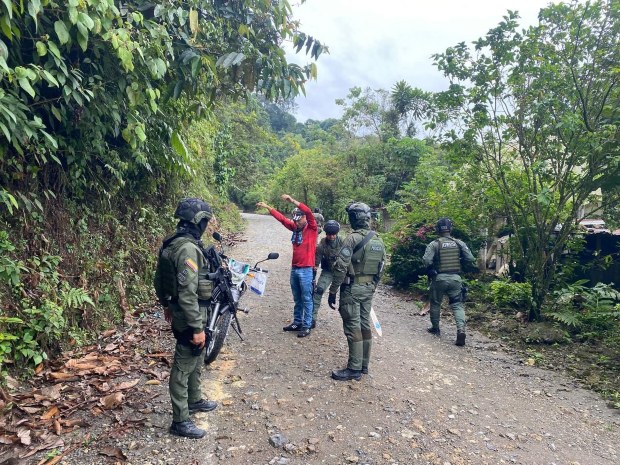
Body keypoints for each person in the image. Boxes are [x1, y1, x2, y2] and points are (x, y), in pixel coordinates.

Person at [154, 198, 218, 439]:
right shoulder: (187, 249)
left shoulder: (171, 242)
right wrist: (196, 327)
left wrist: (166, 304)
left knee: (197, 356)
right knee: (184, 363)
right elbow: (188, 292)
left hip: (184, 310)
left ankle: (194, 399)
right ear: (198, 222)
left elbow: (159, 280)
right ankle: (180, 420)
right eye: (205, 221)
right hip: (191, 313)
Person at [328, 202, 386, 381]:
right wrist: (373, 286)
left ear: (354, 218)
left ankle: (354, 369)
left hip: (352, 289)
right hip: (368, 289)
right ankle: (363, 365)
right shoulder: (378, 239)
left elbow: (340, 267)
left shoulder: (352, 239)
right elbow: (382, 267)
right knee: (364, 325)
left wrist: (333, 290)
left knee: (353, 327)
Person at [256, 194, 318, 337]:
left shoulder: (312, 228)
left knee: (307, 298)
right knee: (297, 298)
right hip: (295, 268)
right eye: (295, 220)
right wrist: (268, 207)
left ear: (304, 218)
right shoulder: (295, 228)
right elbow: (282, 219)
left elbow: (308, 212)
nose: (296, 223)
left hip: (306, 269)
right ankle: (297, 322)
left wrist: (293, 201)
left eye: (299, 220)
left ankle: (307, 325)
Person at [422, 217, 477, 346]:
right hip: (455, 278)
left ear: (437, 229)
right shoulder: (459, 243)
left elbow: (426, 260)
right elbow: (470, 258)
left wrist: (431, 268)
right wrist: (459, 260)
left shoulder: (434, 244)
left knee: (435, 303)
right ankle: (461, 330)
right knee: (457, 305)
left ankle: (435, 328)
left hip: (439, 279)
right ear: (450, 229)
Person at [312, 220, 344, 328]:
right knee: (318, 291)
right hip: (328, 271)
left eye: (333, 234)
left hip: (343, 272)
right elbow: (317, 261)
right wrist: (314, 270)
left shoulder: (343, 242)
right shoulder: (322, 244)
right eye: (329, 234)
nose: (331, 237)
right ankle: (312, 318)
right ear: (326, 234)